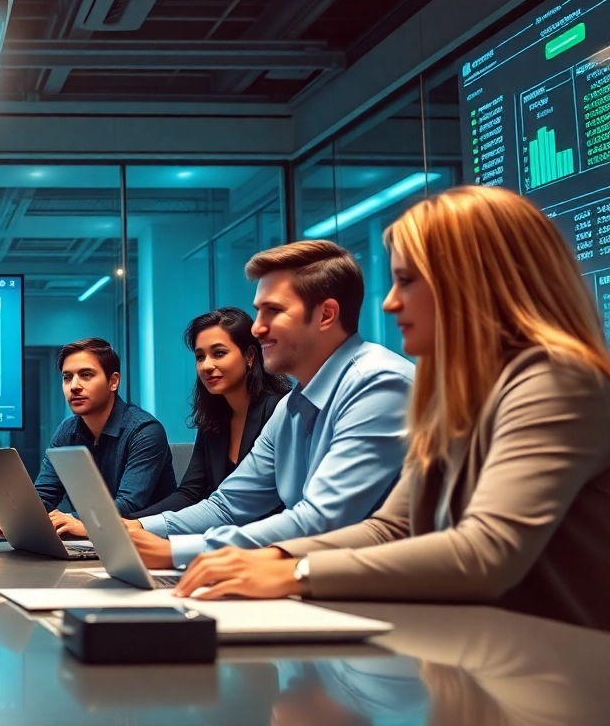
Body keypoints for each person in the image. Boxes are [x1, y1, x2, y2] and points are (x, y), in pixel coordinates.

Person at [172, 186, 610, 632]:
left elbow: (485, 552)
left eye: (408, 281)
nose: (389, 302)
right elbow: (392, 528)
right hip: (488, 652)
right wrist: (272, 558)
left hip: (563, 669)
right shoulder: (452, 397)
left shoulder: (556, 379)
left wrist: (296, 573)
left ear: (474, 282)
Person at [127, 240, 414, 569]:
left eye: (273, 311)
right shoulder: (291, 406)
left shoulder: (378, 384)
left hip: (378, 595)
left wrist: (179, 552)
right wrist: (138, 529)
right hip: (317, 580)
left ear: (326, 315)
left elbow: (322, 519)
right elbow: (228, 505)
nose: (256, 327)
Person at [52, 308, 289, 538]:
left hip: (273, 546)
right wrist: (129, 526)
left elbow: (254, 506)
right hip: (219, 542)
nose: (206, 365)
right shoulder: (214, 422)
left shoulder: (280, 412)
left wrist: (115, 528)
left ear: (249, 357)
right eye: (199, 356)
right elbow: (190, 493)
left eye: (219, 353)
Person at [0, 338, 174, 537]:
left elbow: (128, 505)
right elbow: (45, 493)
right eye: (67, 377)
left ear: (113, 381)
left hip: (145, 544)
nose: (74, 386)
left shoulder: (145, 431)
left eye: (86, 375)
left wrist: (73, 520)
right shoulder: (67, 431)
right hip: (90, 543)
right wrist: (14, 514)